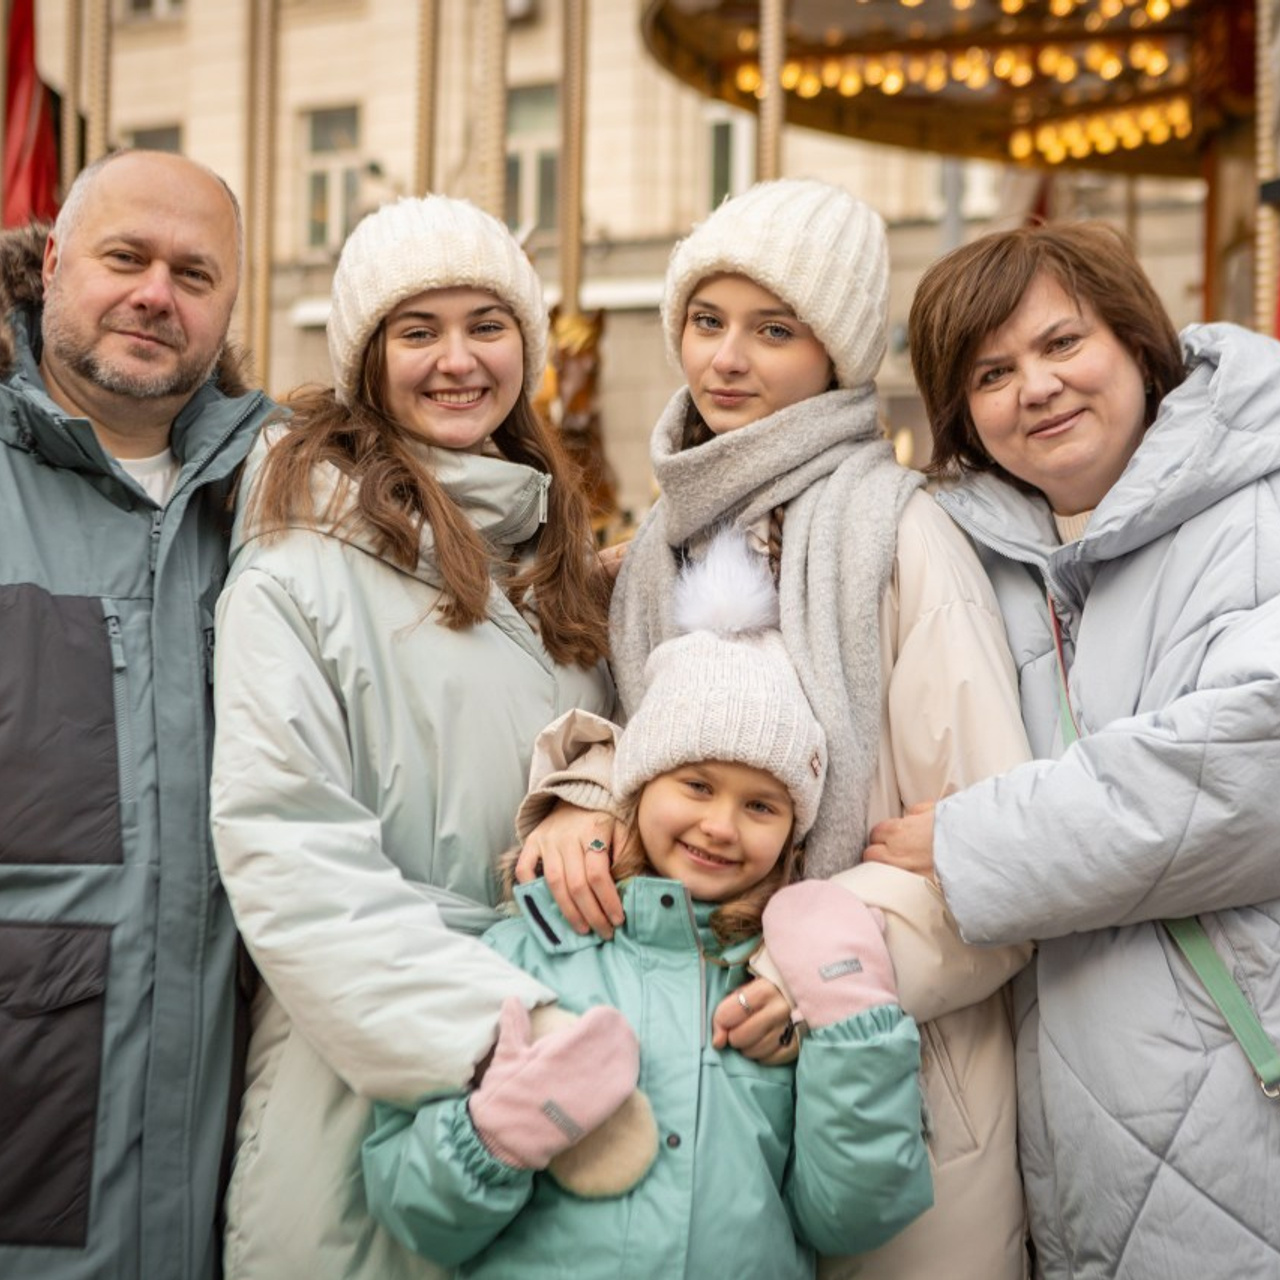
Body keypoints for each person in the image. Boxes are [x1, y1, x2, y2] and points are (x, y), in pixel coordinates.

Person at [515, 178, 1035, 1280]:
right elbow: (657, 742)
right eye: (706, 321)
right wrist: (580, 801)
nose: (726, 359)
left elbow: (994, 840)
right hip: (704, 1060)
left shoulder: (900, 533)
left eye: (772, 329)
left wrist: (819, 972)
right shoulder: (663, 539)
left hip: (896, 1065)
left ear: (835, 353)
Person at [209, 194, 614, 1280]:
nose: (456, 360)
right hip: (382, 1069)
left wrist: (593, 779)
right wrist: (505, 1030)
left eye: (486, 324)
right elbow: (288, 848)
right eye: (415, 330)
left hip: (558, 1061)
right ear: (366, 359)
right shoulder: (300, 562)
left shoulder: (549, 556)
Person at [869, 219, 1280, 1279]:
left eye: (1062, 343)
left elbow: (1252, 764)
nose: (1035, 387)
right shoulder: (978, 555)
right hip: (1059, 1130)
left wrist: (968, 844)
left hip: (1238, 1089)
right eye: (991, 371)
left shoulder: (1258, 505)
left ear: (1135, 342)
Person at [362, 529, 934, 1278]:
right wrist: (494, 1133)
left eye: (762, 806)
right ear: (636, 787)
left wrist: (855, 1023)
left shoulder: (773, 989)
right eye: (695, 786)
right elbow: (417, 1215)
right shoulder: (523, 952)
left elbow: (850, 1217)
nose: (720, 826)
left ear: (796, 831)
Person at [0, 149, 274, 1280]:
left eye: (193, 272)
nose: (156, 293)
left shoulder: (282, 502)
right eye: (126, 257)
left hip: (227, 1186)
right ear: (55, 264)